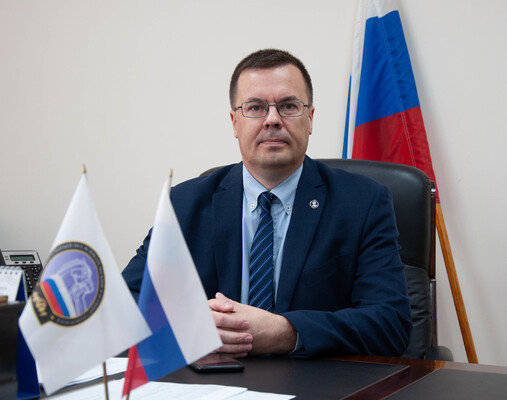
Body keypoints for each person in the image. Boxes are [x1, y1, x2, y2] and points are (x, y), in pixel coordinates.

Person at [122, 49, 412, 358]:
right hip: (214, 378)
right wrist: (191, 328)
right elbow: (125, 306)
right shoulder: (184, 205)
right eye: (256, 108)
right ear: (234, 123)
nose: (272, 120)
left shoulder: (363, 202)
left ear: (310, 118)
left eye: (288, 106)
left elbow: (391, 323)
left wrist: (287, 332)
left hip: (315, 380)